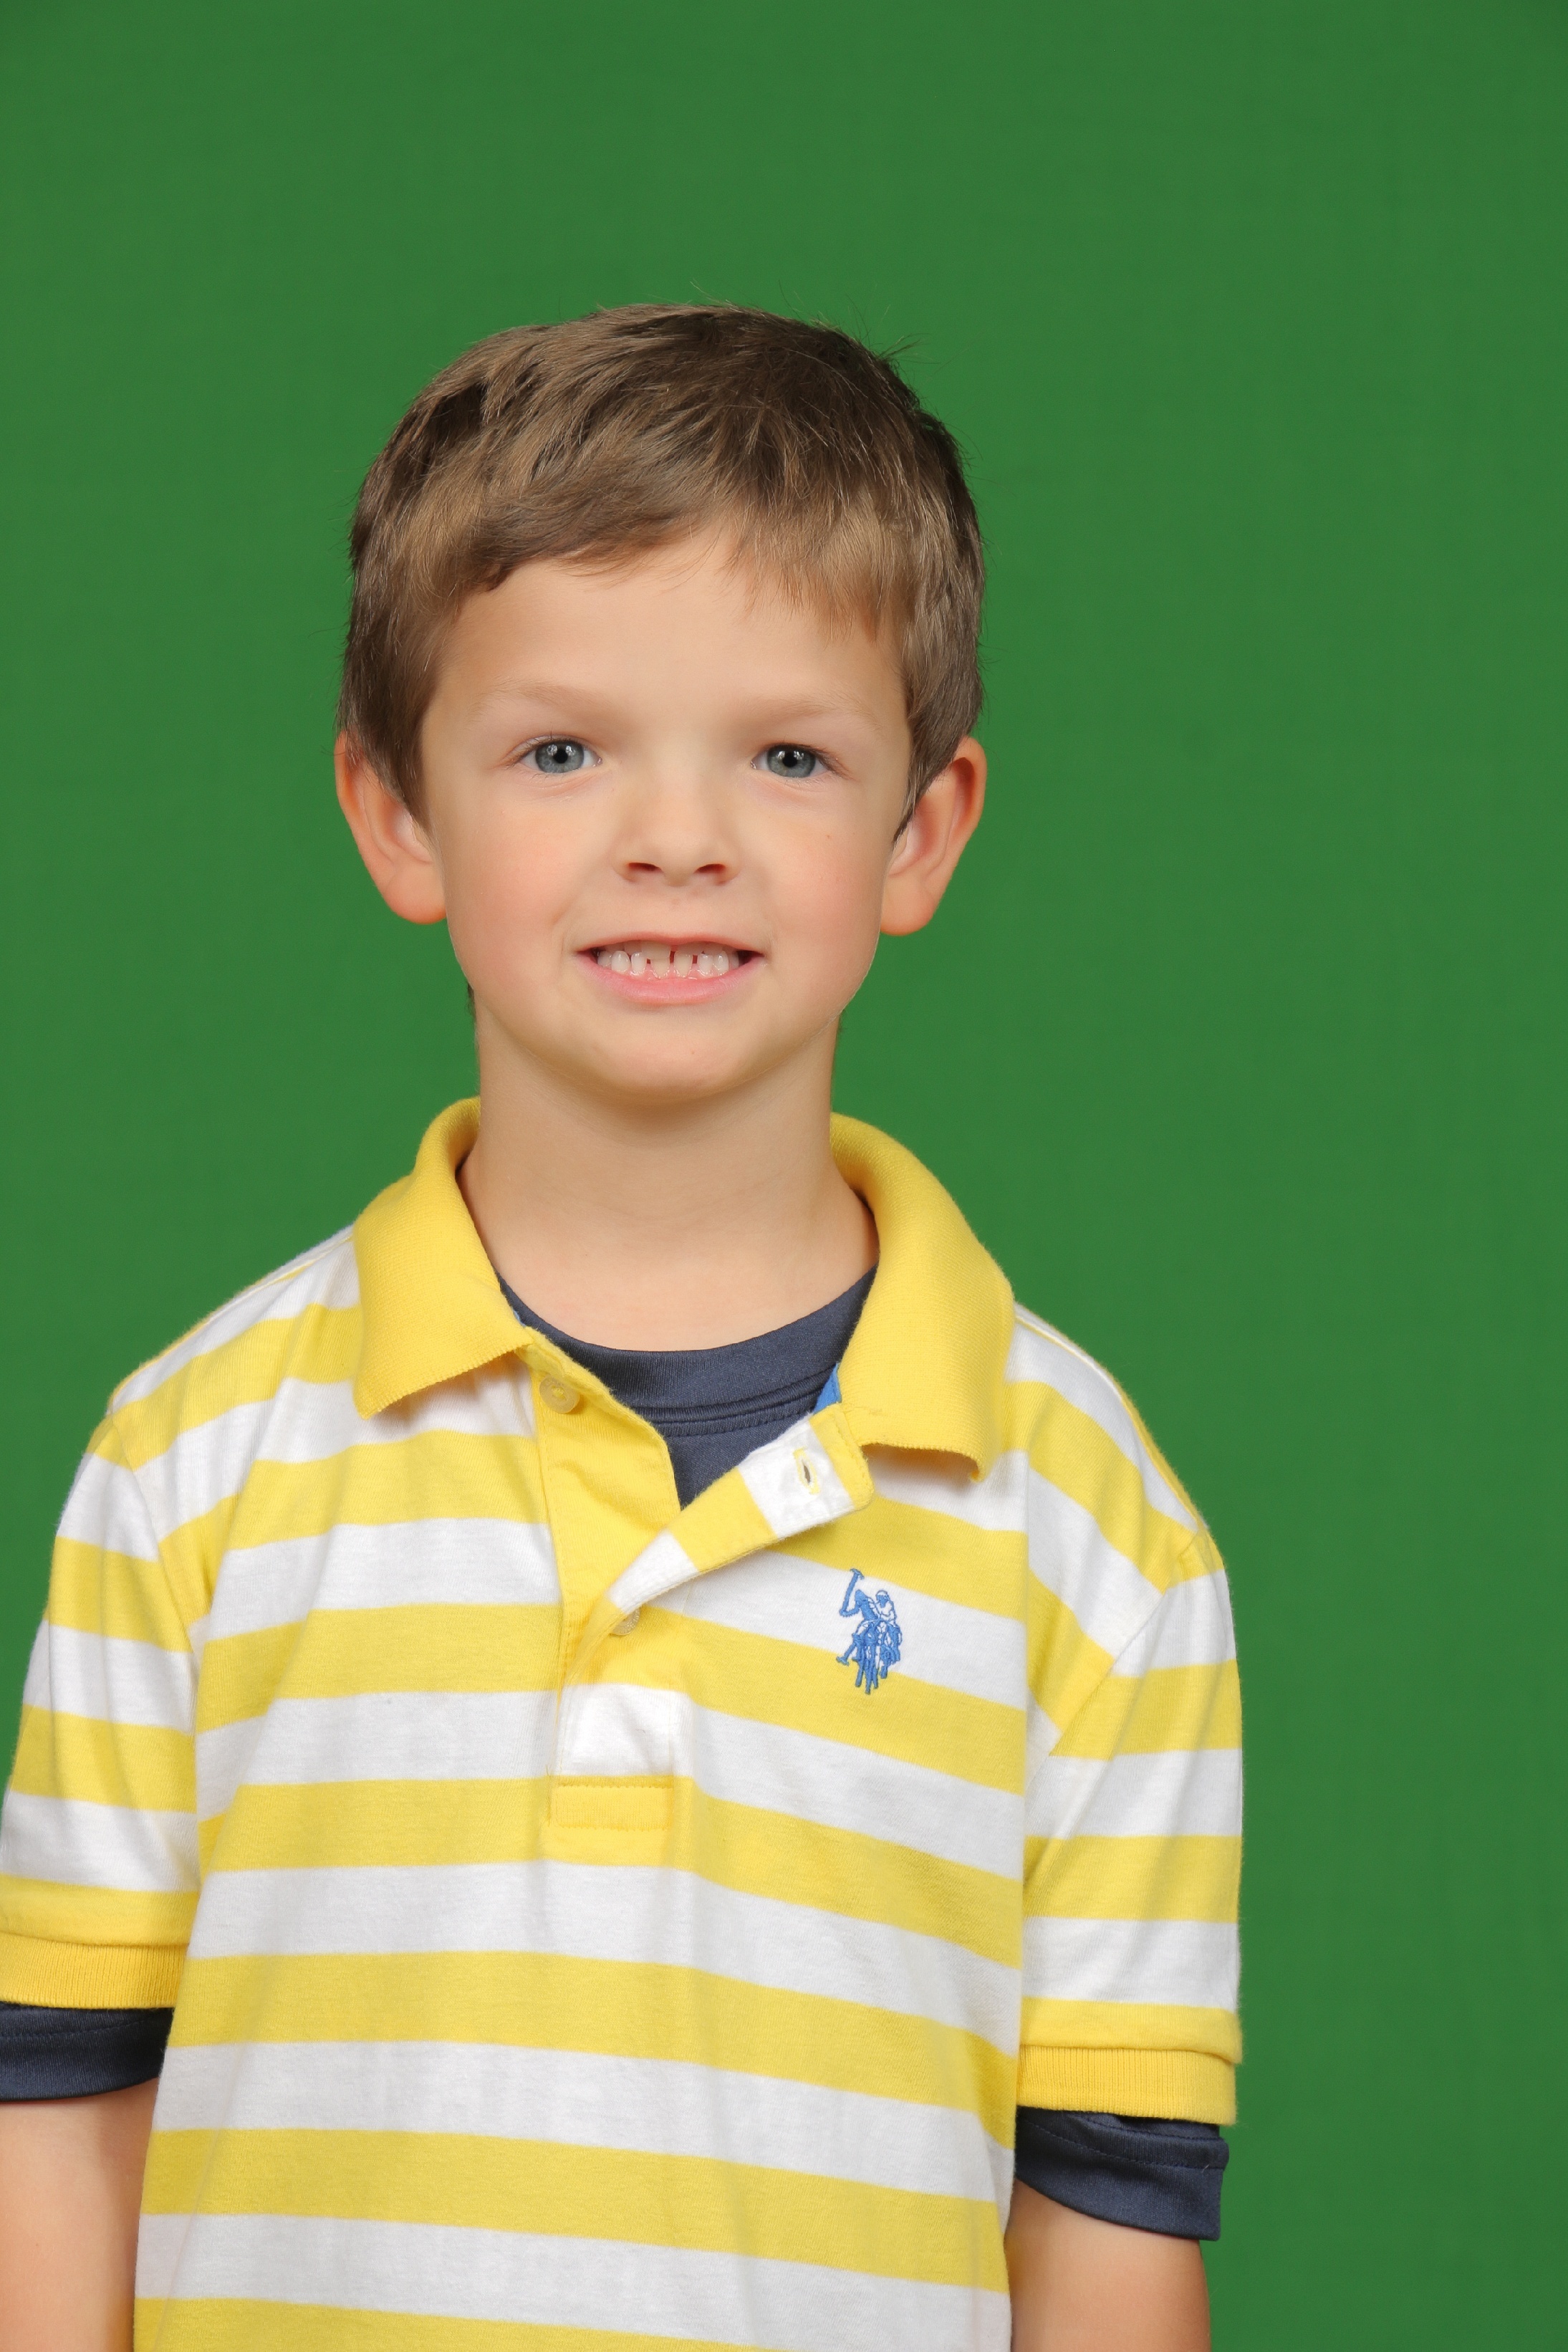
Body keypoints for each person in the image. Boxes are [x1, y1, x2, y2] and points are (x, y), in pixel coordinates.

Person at [0, 305, 1241, 2351]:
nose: (679, 835)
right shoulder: (189, 1460)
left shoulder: (1095, 1528)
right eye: (563, 751)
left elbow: (1104, 2220)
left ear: (923, 828)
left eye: (787, 755)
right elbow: (60, 2116)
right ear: (400, 813)